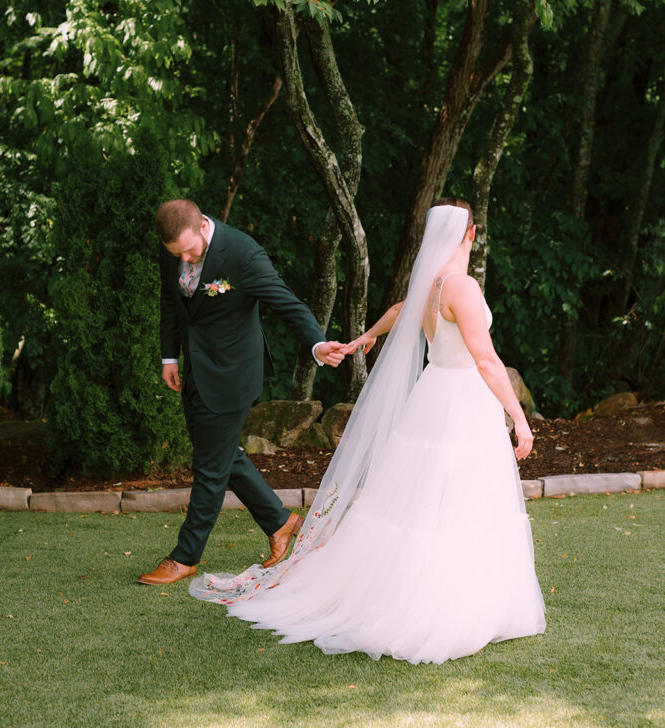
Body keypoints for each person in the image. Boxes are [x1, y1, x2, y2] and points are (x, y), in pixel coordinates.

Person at [189, 200, 546, 665]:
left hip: (432, 396)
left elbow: (400, 309)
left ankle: (415, 588)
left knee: (421, 504)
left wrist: (367, 337)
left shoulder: (433, 284)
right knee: (460, 503)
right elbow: (485, 358)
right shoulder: (461, 285)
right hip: (461, 403)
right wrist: (518, 417)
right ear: (472, 233)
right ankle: (447, 605)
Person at [137, 199, 346, 586]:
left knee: (209, 468)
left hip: (232, 373)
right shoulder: (173, 249)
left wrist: (317, 344)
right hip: (196, 369)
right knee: (221, 456)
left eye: (188, 250)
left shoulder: (243, 254)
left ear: (202, 225)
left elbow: (286, 302)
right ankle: (281, 523)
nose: (183, 258)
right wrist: (169, 357)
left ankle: (185, 557)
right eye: (175, 254)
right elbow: (171, 301)